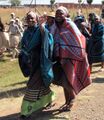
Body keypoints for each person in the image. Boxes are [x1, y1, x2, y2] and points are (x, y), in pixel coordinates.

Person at [50, 6, 91, 112]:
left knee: (67, 80)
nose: (58, 16)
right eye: (57, 14)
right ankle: (67, 101)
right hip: (58, 57)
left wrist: (70, 51)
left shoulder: (70, 25)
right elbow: (51, 39)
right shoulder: (54, 26)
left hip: (71, 57)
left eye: (61, 14)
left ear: (66, 15)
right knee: (62, 81)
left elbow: (79, 39)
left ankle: (71, 100)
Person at [18, 11, 55, 120]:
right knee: (41, 85)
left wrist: (42, 27)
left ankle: (25, 112)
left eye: (32, 18)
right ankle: (50, 99)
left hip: (40, 64)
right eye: (28, 18)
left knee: (31, 86)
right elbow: (24, 46)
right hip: (31, 63)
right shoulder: (26, 32)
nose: (30, 20)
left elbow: (48, 41)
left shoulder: (41, 30)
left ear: (37, 19)